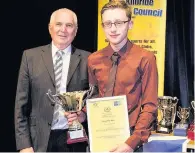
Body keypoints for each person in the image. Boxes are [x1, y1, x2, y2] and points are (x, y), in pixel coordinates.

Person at [15, 8, 90, 152]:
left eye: (69, 25)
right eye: (58, 24)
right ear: (50, 28)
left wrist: (84, 115)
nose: (63, 30)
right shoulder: (30, 57)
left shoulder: (88, 59)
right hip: (38, 141)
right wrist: (24, 145)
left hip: (73, 141)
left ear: (75, 30)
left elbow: (94, 97)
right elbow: (21, 105)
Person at [88, 0, 158, 152]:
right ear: (102, 26)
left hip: (131, 141)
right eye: (108, 23)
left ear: (130, 24)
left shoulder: (146, 58)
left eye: (119, 23)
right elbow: (93, 99)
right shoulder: (93, 59)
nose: (113, 29)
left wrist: (131, 143)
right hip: (100, 139)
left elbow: (150, 105)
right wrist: (80, 114)